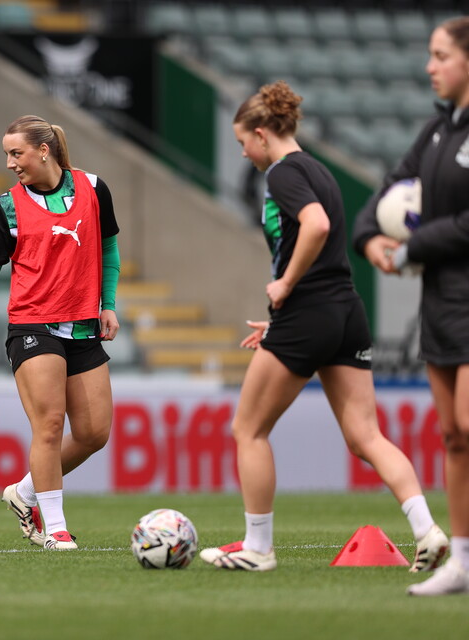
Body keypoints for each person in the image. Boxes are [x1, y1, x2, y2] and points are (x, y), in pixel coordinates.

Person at [200, 81, 448, 575]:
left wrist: (285, 286)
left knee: (248, 429)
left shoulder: (283, 173)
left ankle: (258, 548)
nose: (244, 152)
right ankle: (427, 529)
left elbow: (315, 226)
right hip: (345, 312)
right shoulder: (319, 169)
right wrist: (283, 317)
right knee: (365, 437)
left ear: (264, 133)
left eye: (243, 142)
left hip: (308, 310)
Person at [0, 114, 121, 551]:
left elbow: (110, 248)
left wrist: (109, 304)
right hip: (32, 324)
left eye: (16, 153)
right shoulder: (6, 207)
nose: (9, 163)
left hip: (82, 326)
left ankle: (24, 493)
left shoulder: (95, 189)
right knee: (49, 425)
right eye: (7, 154)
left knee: (95, 433)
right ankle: (54, 527)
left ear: (44, 150)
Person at [353, 16, 469, 596]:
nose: (430, 67)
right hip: (441, 306)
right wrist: (372, 237)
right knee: (453, 435)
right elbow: (379, 200)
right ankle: (463, 564)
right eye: (429, 54)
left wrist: (412, 247)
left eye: (441, 55)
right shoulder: (434, 133)